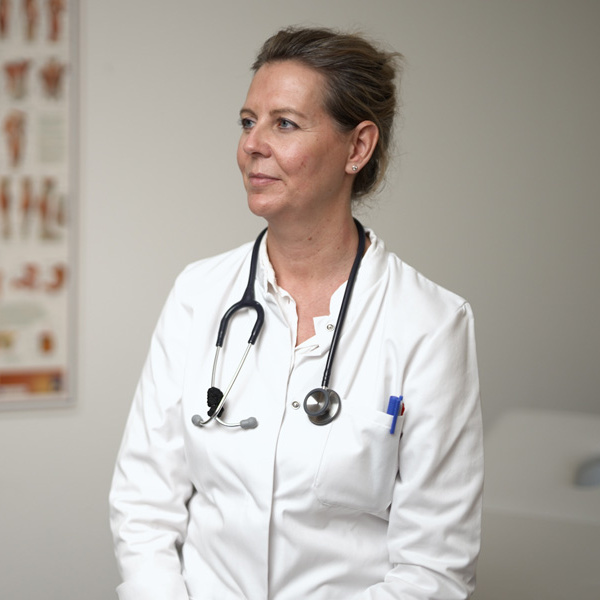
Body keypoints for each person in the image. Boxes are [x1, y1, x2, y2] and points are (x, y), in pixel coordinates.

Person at [109, 26, 483, 600]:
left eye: (284, 123)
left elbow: (434, 567)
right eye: (247, 121)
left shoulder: (431, 323)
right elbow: (144, 503)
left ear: (357, 148)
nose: (252, 144)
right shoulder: (198, 294)